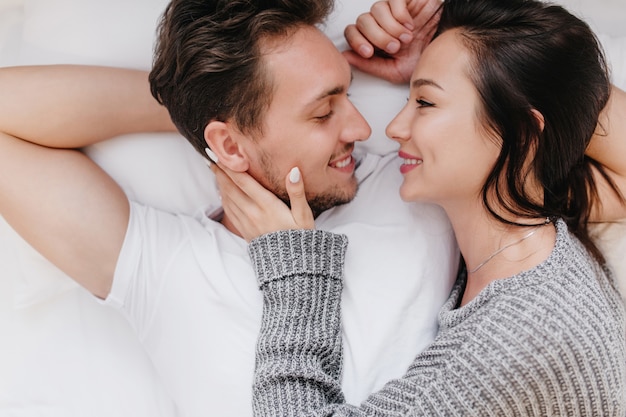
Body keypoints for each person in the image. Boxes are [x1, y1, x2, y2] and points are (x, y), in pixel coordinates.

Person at [0, 0, 459, 415]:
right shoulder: (165, 266)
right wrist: (195, 110)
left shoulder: (411, 186)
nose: (360, 128)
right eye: (323, 113)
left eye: (349, 94)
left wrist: (434, 75)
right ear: (228, 142)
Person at [212, 0, 626, 414]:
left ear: (520, 135)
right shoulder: (534, 219)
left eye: (424, 103)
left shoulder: (522, 336)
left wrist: (294, 266)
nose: (393, 128)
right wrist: (449, 56)